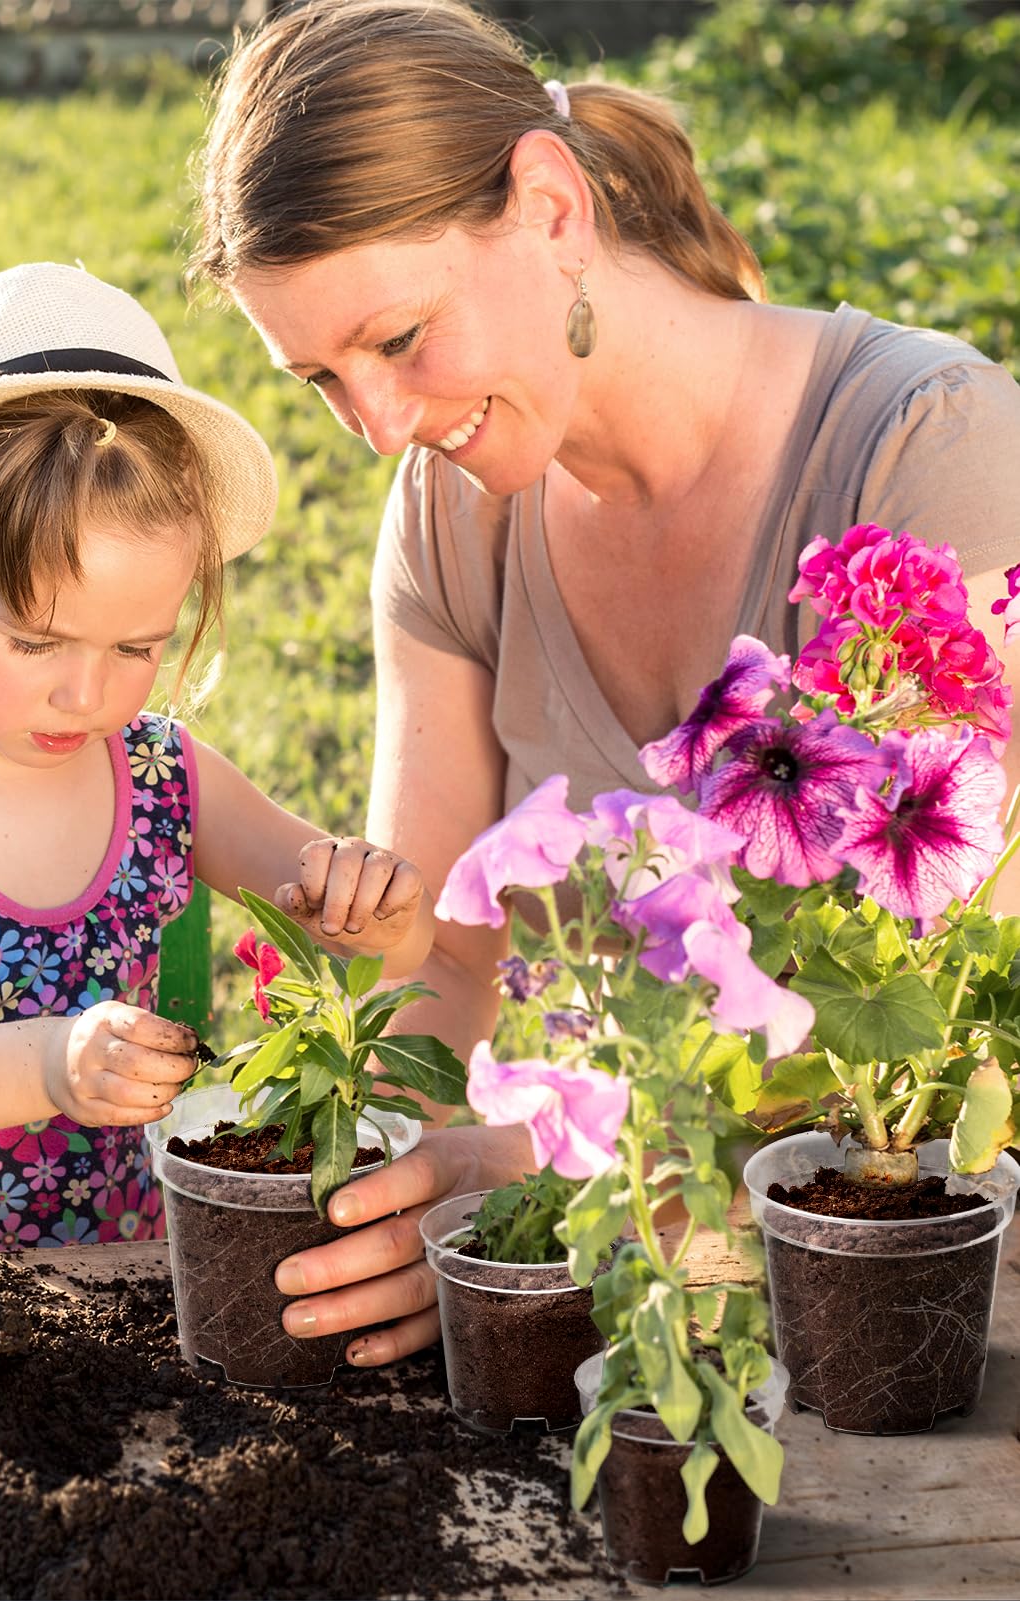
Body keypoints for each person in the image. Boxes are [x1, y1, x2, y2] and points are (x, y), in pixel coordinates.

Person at [190, 0, 1020, 1365]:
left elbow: (913, 1035)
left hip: (903, 1295)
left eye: (398, 340)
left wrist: (533, 1164)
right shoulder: (449, 513)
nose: (379, 426)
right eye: (321, 381)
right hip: (620, 1286)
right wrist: (402, 1184)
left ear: (552, 207)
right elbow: (447, 960)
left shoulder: (931, 451)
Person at [0, 260, 435, 1262]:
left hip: (135, 1292)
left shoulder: (165, 775)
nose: (89, 695)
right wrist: (46, 1061)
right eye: (35, 642)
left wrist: (381, 908)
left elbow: (354, 942)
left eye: (136, 648)